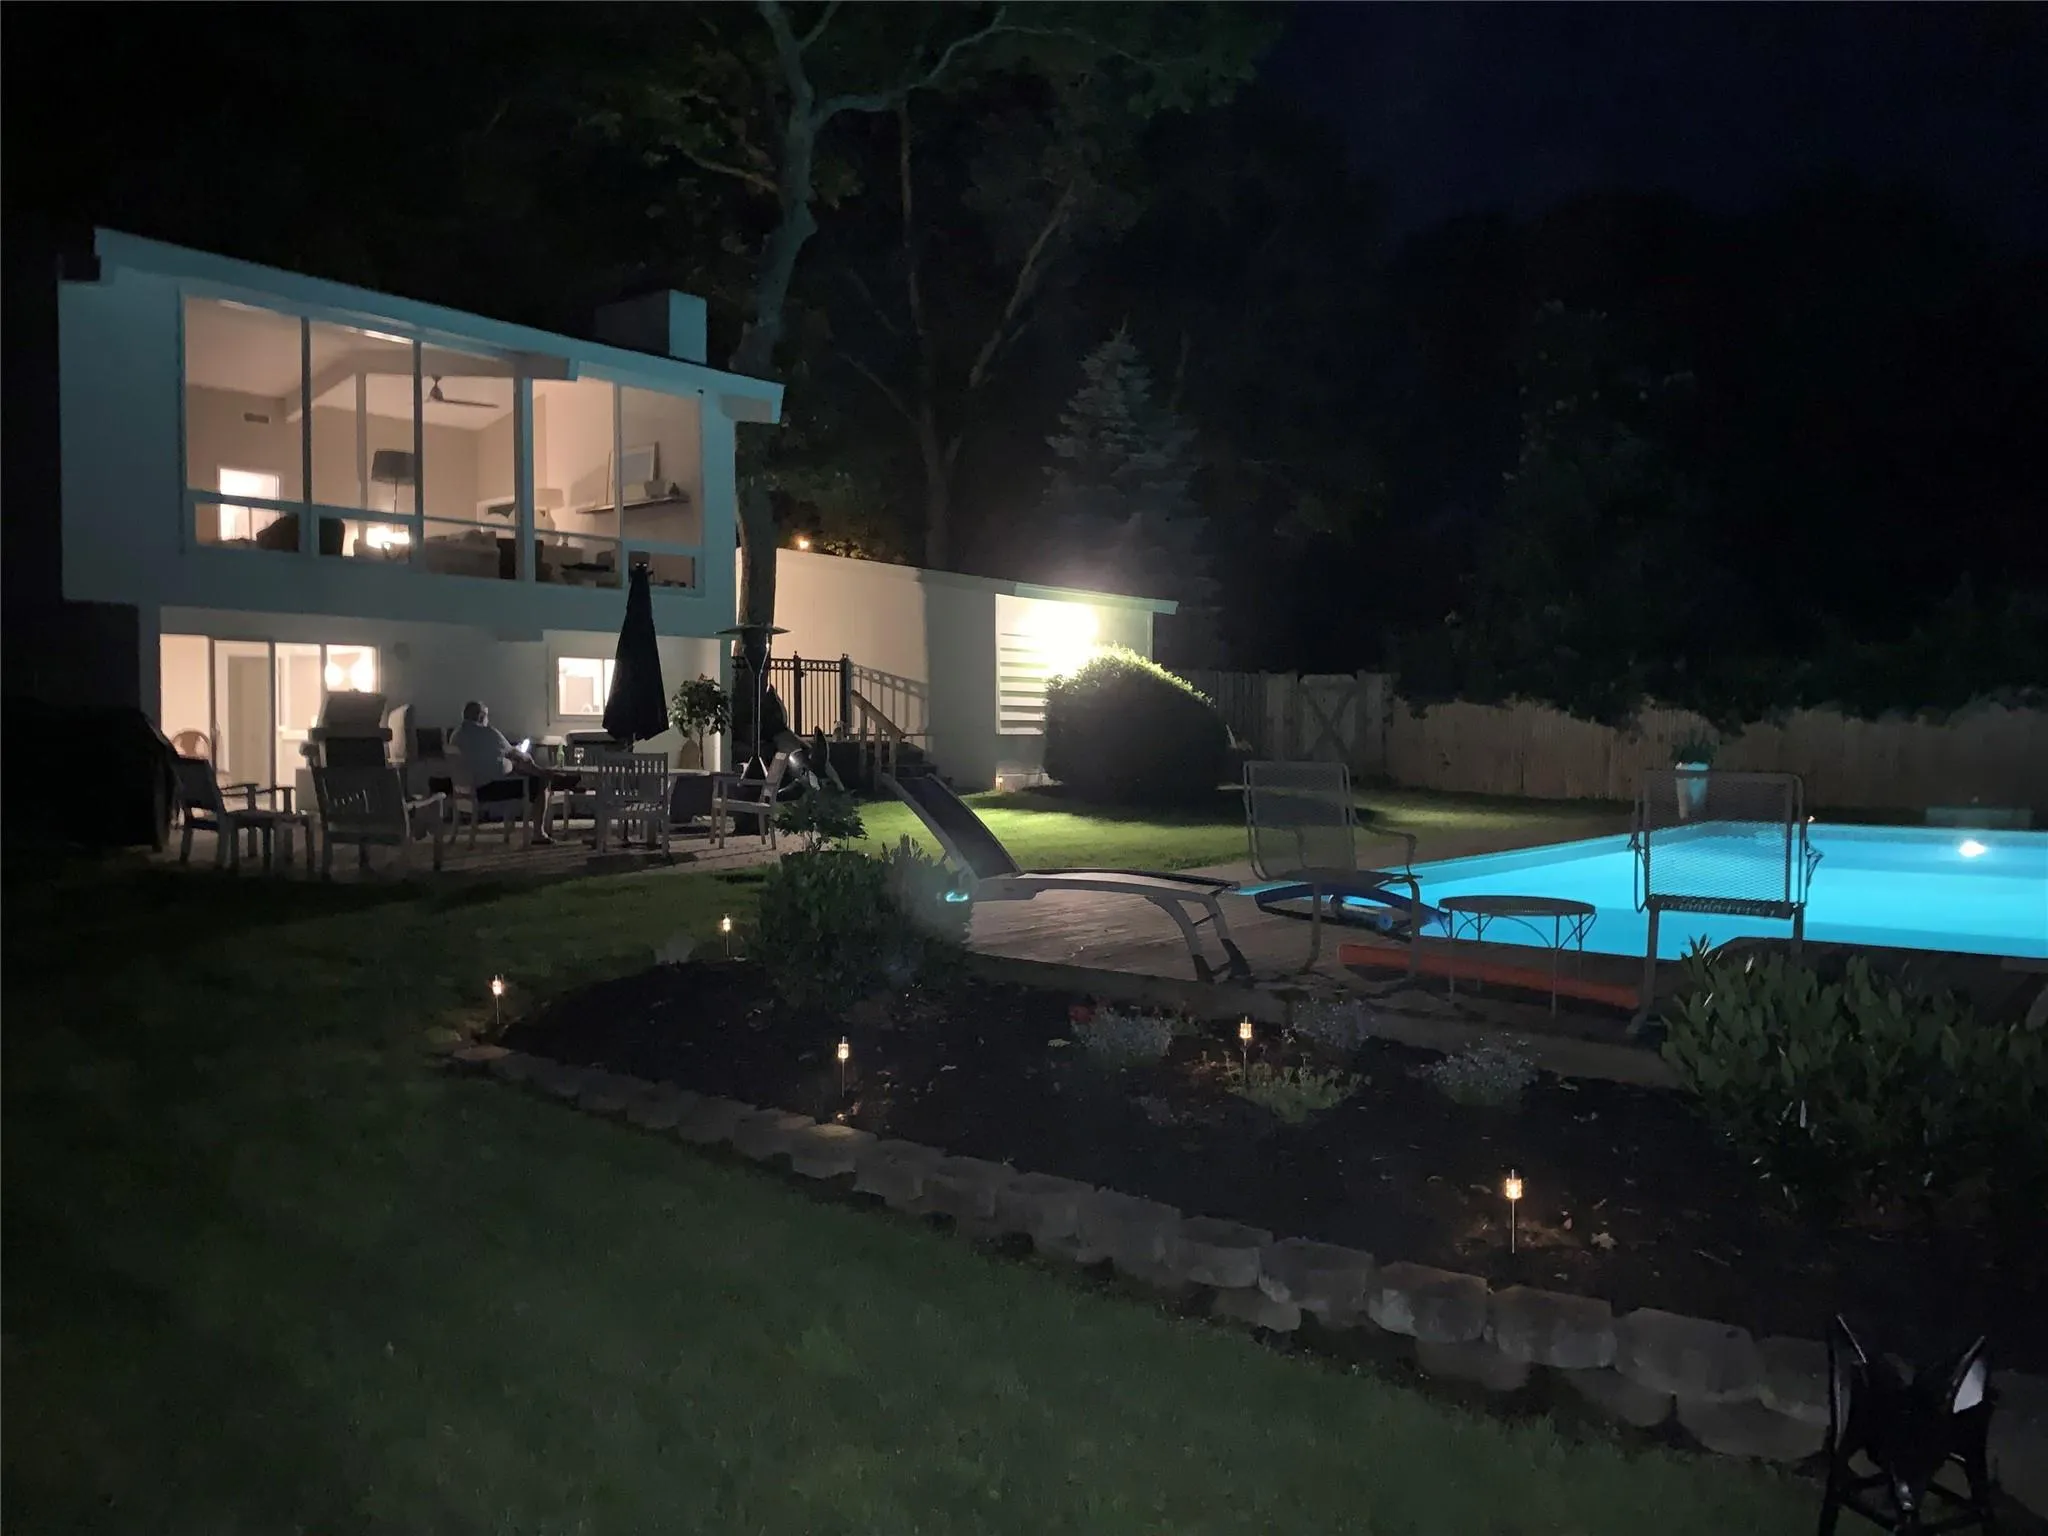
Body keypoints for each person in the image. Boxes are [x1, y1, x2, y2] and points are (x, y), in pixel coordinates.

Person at [445, 700, 561, 843]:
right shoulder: (488, 733)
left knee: (515, 766)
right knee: (538, 782)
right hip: (488, 788)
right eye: (486, 716)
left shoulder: (456, 735)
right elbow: (517, 755)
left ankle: (544, 774)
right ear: (481, 717)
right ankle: (538, 833)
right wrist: (524, 757)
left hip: (464, 789)